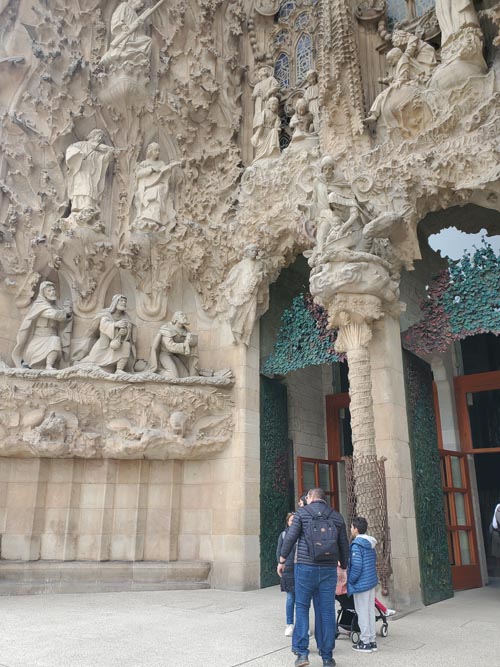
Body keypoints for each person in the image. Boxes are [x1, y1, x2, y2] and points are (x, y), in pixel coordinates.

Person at [278, 487, 349, 667]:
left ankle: (302, 654)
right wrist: (344, 565)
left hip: (305, 567)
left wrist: (282, 560)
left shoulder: (302, 514)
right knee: (326, 611)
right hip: (328, 570)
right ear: (324, 499)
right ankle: (327, 656)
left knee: (301, 608)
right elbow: (344, 545)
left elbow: (290, 538)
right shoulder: (336, 516)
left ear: (310, 498)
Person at [12, 281, 72, 370]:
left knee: (55, 340)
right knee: (55, 340)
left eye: (53, 290)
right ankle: (48, 365)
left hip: (51, 336)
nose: (52, 292)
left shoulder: (55, 307)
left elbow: (61, 320)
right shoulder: (39, 305)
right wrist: (65, 313)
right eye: (49, 291)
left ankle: (50, 365)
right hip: (39, 339)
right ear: (43, 293)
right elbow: (53, 315)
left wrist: (68, 313)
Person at [79, 294, 136, 373]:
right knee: (90, 362)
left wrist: (124, 332)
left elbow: (130, 329)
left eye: (125, 301)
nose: (124, 303)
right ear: (115, 302)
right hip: (104, 344)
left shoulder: (126, 317)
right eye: (121, 301)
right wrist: (115, 325)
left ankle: (119, 369)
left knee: (126, 346)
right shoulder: (106, 314)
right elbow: (104, 326)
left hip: (117, 343)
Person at [348, 516, 379, 653]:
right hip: (371, 582)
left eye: (351, 527)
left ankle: (365, 642)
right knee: (370, 611)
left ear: (355, 529)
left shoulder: (356, 545)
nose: (350, 529)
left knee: (362, 613)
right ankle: (372, 641)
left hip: (361, 584)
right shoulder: (370, 544)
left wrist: (351, 580)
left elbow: (357, 566)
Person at [65, 129, 115, 214]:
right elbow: (71, 149)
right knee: (82, 187)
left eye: (101, 137)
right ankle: (78, 207)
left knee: (90, 188)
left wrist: (109, 153)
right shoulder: (81, 144)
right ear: (93, 136)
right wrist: (78, 154)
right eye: (99, 136)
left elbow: (102, 161)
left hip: (91, 173)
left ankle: (89, 206)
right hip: (81, 170)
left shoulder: (97, 151)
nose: (100, 139)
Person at [148, 311, 199, 378]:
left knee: (185, 375)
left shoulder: (186, 331)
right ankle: (157, 372)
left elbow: (190, 345)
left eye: (185, 315)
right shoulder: (167, 328)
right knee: (173, 375)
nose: (184, 317)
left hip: (174, 356)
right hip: (165, 355)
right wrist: (184, 345)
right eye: (182, 315)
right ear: (176, 318)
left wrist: (191, 342)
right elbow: (170, 346)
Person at [277, 513, 296, 637]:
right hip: (288, 568)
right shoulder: (283, 535)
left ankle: (301, 625)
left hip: (300, 567)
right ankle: (289, 623)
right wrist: (280, 563)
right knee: (290, 597)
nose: (293, 522)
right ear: (287, 522)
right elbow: (279, 551)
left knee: (301, 600)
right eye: (291, 520)